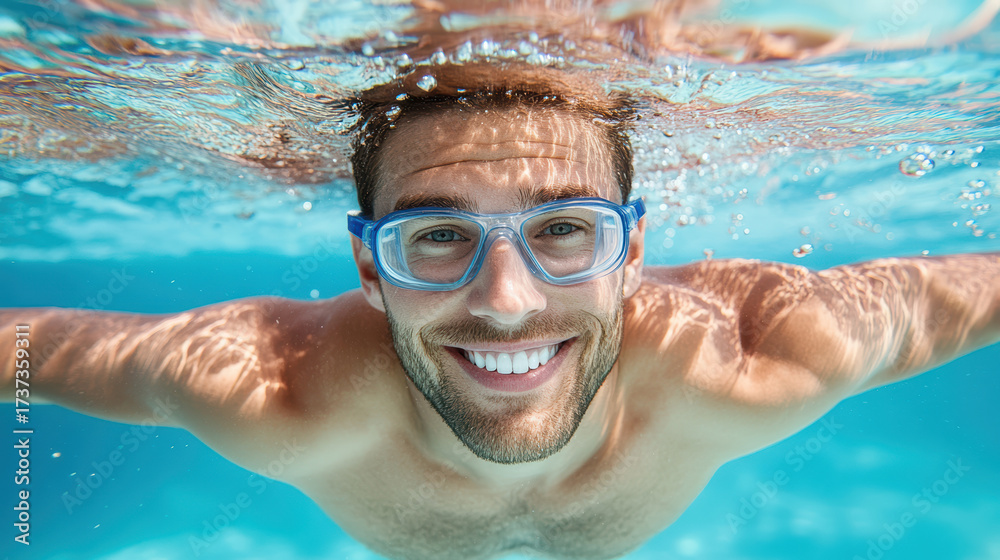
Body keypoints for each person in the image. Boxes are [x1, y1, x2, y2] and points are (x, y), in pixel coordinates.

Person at [3, 70, 999, 560]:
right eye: (436, 236)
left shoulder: (763, 354)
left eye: (565, 230)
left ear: (632, 254)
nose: (507, 302)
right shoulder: (268, 391)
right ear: (369, 265)